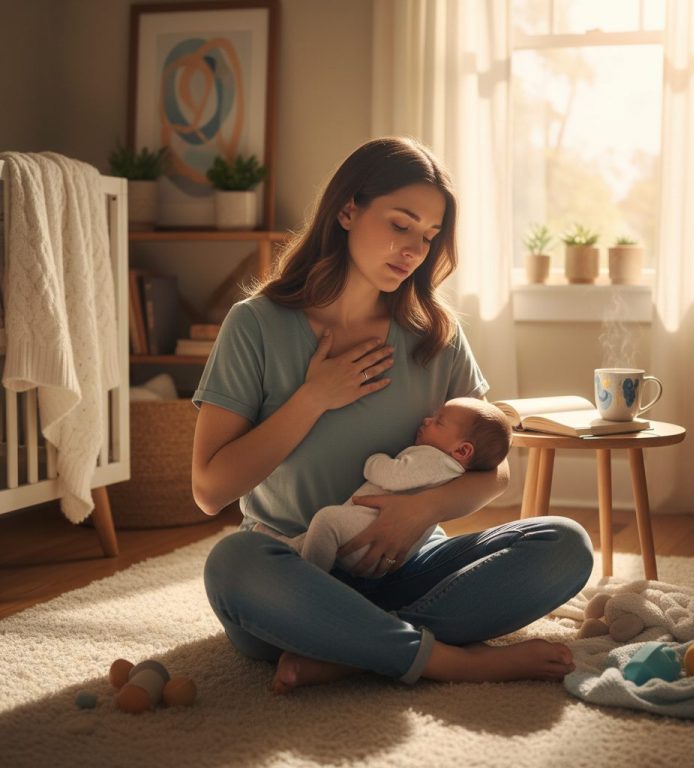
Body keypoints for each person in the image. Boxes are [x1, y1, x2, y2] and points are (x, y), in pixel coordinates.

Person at [193, 136, 593, 694]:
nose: (413, 249)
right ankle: (453, 661)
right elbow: (210, 490)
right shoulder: (255, 325)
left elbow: (493, 470)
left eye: (428, 237)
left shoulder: (436, 334)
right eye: (400, 224)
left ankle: (352, 651)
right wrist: (313, 398)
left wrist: (418, 511)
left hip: (408, 567)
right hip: (294, 573)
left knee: (564, 544)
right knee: (233, 563)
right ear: (348, 209)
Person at [279, 397, 512, 574]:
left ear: (462, 450)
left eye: (438, 422)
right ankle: (295, 547)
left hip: (373, 536)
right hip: (376, 535)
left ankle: (311, 581)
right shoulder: (446, 465)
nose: (427, 420)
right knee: (320, 531)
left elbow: (393, 476)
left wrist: (374, 460)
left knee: (326, 521)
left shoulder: (435, 461)